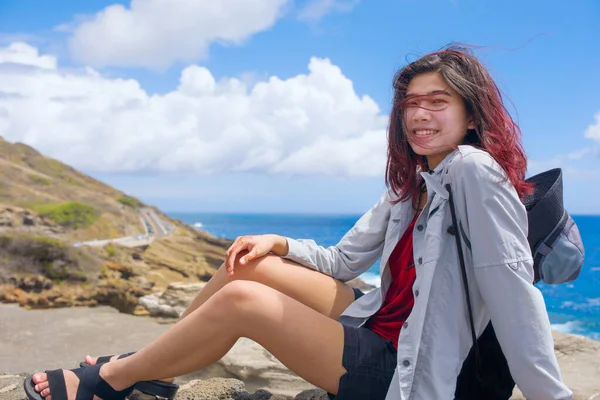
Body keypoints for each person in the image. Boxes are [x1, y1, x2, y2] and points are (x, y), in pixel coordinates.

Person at [26, 46, 573, 400]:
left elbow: (513, 294)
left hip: (423, 374)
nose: (418, 115)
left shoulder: (476, 173)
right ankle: (155, 366)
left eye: (437, 102)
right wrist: (281, 241)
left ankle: (112, 382)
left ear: (472, 114)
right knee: (252, 263)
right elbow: (344, 262)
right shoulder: (417, 181)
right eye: (410, 103)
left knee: (244, 302)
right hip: (385, 322)